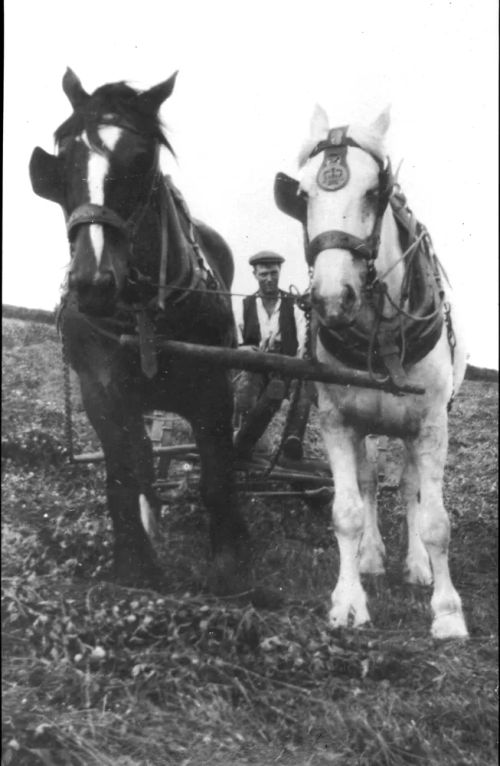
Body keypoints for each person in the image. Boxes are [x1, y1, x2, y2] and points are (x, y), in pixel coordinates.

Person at [233, 251, 310, 459]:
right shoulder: (244, 304)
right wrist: (244, 349)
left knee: (303, 386)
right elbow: (237, 340)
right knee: (247, 385)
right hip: (257, 366)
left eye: (274, 273)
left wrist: (297, 359)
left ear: (280, 272)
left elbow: (304, 337)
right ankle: (247, 441)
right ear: (254, 275)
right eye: (263, 274)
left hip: (286, 365)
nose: (269, 279)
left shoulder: (293, 303)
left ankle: (292, 439)